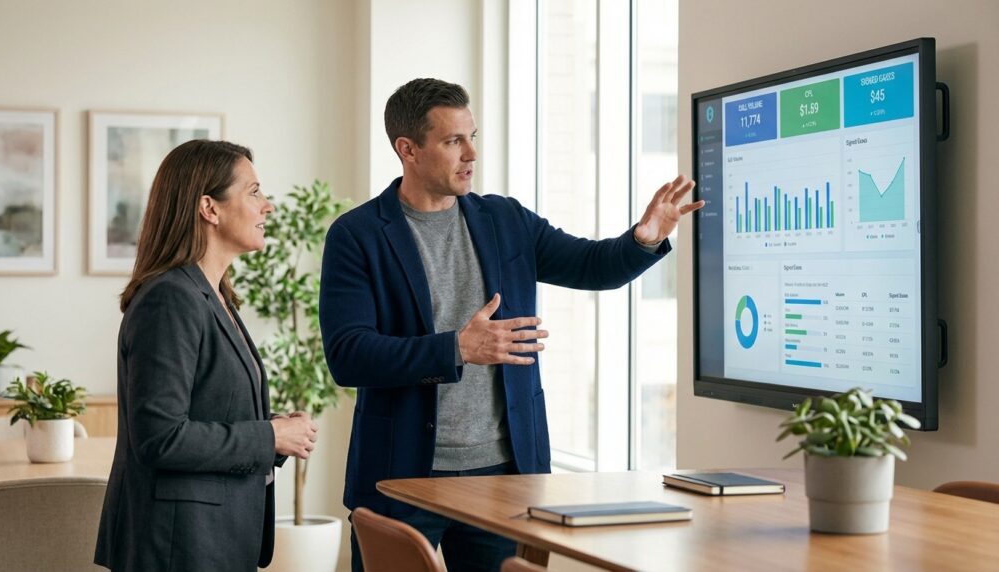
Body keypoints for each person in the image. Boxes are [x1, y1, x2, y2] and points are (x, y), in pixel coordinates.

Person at [319, 78, 704, 572]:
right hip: (402, 474)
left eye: (472, 136)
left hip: (504, 476)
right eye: (453, 140)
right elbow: (349, 355)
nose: (471, 153)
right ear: (407, 149)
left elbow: (590, 265)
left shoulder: (505, 219)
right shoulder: (357, 235)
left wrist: (644, 239)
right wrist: (456, 348)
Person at [94, 140, 318, 571]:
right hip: (177, 547)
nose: (267, 206)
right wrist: (269, 437)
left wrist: (273, 430)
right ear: (209, 208)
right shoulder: (170, 299)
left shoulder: (214, 296)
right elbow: (160, 437)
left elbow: (209, 410)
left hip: (209, 540)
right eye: (254, 191)